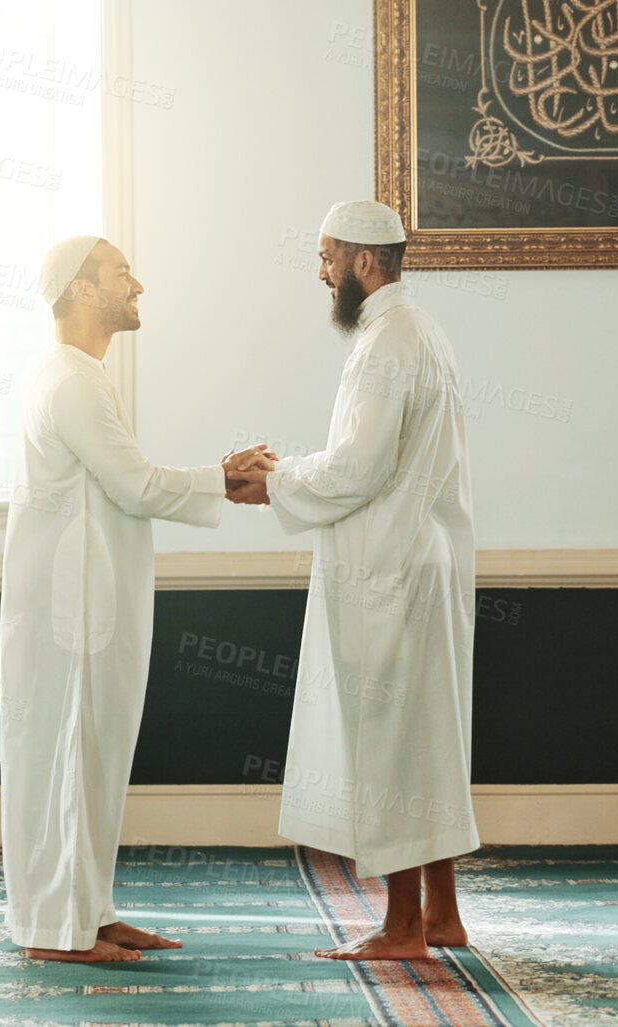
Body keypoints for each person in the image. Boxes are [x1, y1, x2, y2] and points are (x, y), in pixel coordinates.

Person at [0, 235, 273, 963]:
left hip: (83, 602)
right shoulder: (72, 380)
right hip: (75, 610)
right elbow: (137, 486)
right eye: (123, 274)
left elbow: (122, 486)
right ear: (83, 290)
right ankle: (58, 932)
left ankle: (86, 911)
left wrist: (216, 477)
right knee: (70, 755)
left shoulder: (67, 372)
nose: (138, 285)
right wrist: (221, 476)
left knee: (89, 758)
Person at [227, 201, 478, 960]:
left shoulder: (383, 344)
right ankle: (443, 915)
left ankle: (403, 928)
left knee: (388, 747)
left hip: (385, 568)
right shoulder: (418, 331)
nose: (319, 270)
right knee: (428, 739)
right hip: (415, 560)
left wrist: (274, 478)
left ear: (364, 262)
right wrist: (294, 475)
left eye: (325, 255)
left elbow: (358, 467)